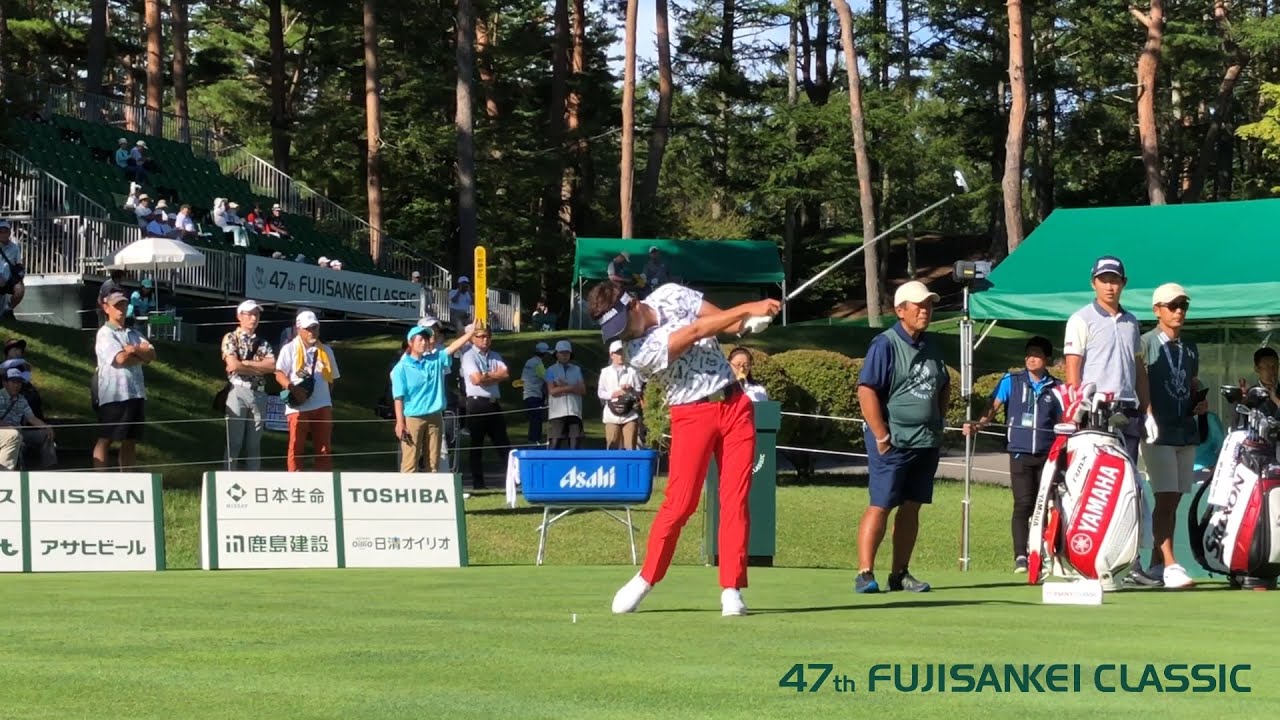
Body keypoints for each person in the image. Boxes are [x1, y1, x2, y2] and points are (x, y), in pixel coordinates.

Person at [587, 280, 780, 616]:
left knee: (735, 499)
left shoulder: (672, 293)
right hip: (692, 415)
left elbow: (725, 322)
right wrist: (749, 308)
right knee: (680, 504)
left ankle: (731, 589)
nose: (622, 335)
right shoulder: (636, 352)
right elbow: (694, 332)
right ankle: (647, 577)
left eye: (621, 325)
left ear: (632, 304)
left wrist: (749, 323)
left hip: (735, 405)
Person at [1062, 255, 1159, 588]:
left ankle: (1130, 563)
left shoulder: (1132, 322)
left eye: (1114, 280)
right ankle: (1082, 557)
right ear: (1094, 283)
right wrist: (1077, 405)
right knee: (1093, 487)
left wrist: (1147, 411)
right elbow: (1073, 366)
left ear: (1123, 283)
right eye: (1103, 280)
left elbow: (1139, 370)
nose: (1109, 285)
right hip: (1093, 412)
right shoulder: (1081, 319)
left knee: (1131, 488)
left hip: (1127, 411)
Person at [853, 281, 949, 594]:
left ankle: (900, 573)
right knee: (881, 504)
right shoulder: (885, 343)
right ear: (900, 310)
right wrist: (881, 434)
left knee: (912, 506)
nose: (925, 311)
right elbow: (867, 390)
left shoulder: (931, 345)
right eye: (919, 306)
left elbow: (943, 383)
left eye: (929, 305)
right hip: (892, 441)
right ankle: (865, 573)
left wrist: (939, 419)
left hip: (925, 440)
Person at [963, 336, 1063, 573]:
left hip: (1047, 455)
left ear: (1046, 359)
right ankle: (1021, 555)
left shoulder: (1057, 387)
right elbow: (992, 406)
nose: (1031, 359)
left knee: (1047, 504)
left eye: (1037, 354)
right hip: (1019, 452)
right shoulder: (1012, 380)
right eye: (1028, 354)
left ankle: (1045, 552)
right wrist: (978, 424)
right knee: (1023, 504)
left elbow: (1064, 419)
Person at [1139, 283, 1206, 589]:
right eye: (1172, 305)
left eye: (1183, 306)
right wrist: (1148, 414)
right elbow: (1141, 384)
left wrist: (1198, 400)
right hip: (1158, 430)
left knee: (1175, 499)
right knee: (1165, 496)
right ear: (1157, 310)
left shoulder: (1190, 349)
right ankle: (1169, 563)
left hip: (1184, 429)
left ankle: (1155, 564)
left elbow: (1190, 383)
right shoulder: (1146, 343)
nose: (1179, 311)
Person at [392, 324, 476, 473]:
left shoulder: (435, 359)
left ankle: (430, 494)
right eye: (420, 339)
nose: (424, 342)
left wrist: (470, 334)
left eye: (426, 339)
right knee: (410, 462)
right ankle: (408, 493)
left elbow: (452, 347)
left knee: (433, 462)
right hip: (413, 417)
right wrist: (400, 423)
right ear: (411, 342)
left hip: (435, 416)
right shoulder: (401, 368)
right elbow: (398, 397)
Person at [94, 291, 156, 470]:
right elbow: (120, 359)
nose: (121, 309)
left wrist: (133, 349)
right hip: (114, 393)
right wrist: (139, 354)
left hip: (135, 392)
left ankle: (128, 479)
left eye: (123, 305)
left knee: (130, 439)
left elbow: (152, 354)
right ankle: (100, 478)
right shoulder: (105, 333)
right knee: (107, 437)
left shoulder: (134, 333)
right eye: (116, 306)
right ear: (106, 308)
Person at [274, 311, 341, 472]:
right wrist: (293, 389)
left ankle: (324, 481)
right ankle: (295, 480)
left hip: (323, 405)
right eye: (308, 328)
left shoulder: (326, 350)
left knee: (324, 448)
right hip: (298, 407)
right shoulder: (289, 349)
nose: (313, 332)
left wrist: (325, 397)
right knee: (296, 447)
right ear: (299, 329)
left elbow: (334, 378)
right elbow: (279, 373)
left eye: (315, 328)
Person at [222, 300, 276, 471]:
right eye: (250, 314)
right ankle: (228, 479)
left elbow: (272, 366)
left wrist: (245, 363)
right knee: (234, 442)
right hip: (237, 391)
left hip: (259, 393)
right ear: (240, 316)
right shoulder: (231, 337)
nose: (254, 318)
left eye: (257, 314)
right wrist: (257, 366)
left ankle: (253, 482)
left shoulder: (263, 342)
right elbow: (233, 365)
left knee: (254, 444)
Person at [460, 326, 510, 489]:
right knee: (477, 445)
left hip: (493, 402)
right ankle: (478, 483)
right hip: (477, 403)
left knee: (503, 444)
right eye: (480, 336)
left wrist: (486, 376)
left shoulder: (495, 355)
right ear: (473, 338)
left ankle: (514, 480)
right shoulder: (469, 356)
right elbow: (476, 380)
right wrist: (493, 376)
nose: (484, 339)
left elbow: (506, 374)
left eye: (487, 336)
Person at [0, 367, 55, 470]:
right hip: (5, 433)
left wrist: (46, 427)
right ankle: (7, 475)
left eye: (19, 382)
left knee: (45, 435)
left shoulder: (21, 399)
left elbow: (32, 418)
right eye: (13, 382)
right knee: (14, 436)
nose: (17, 385)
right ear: (4, 383)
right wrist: (11, 428)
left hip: (19, 431)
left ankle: (48, 469)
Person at [598, 339, 643, 450]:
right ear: (611, 355)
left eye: (622, 352)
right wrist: (613, 394)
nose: (620, 356)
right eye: (618, 353)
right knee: (612, 446)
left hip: (630, 414)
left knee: (630, 448)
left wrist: (630, 389)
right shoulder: (605, 372)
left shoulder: (632, 371)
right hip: (611, 415)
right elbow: (600, 393)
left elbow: (639, 390)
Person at [544, 340, 586, 450]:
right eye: (562, 353)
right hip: (557, 413)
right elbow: (552, 391)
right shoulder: (550, 370)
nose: (564, 356)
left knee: (575, 444)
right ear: (556, 354)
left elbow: (582, 389)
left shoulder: (577, 370)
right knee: (555, 443)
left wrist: (563, 387)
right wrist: (571, 387)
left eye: (567, 353)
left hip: (574, 411)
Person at [520, 341, 552, 444]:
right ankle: (534, 441)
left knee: (534, 419)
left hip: (527, 394)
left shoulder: (529, 361)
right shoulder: (538, 364)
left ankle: (533, 441)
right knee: (536, 420)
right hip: (534, 395)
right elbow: (548, 378)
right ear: (544, 353)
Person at [0, 219, 26, 319]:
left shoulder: (15, 248)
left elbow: (19, 264)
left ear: (9, 232)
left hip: (8, 279)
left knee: (20, 289)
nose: (3, 234)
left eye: (5, 231)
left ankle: (8, 309)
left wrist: (20, 278)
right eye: (0, 231)